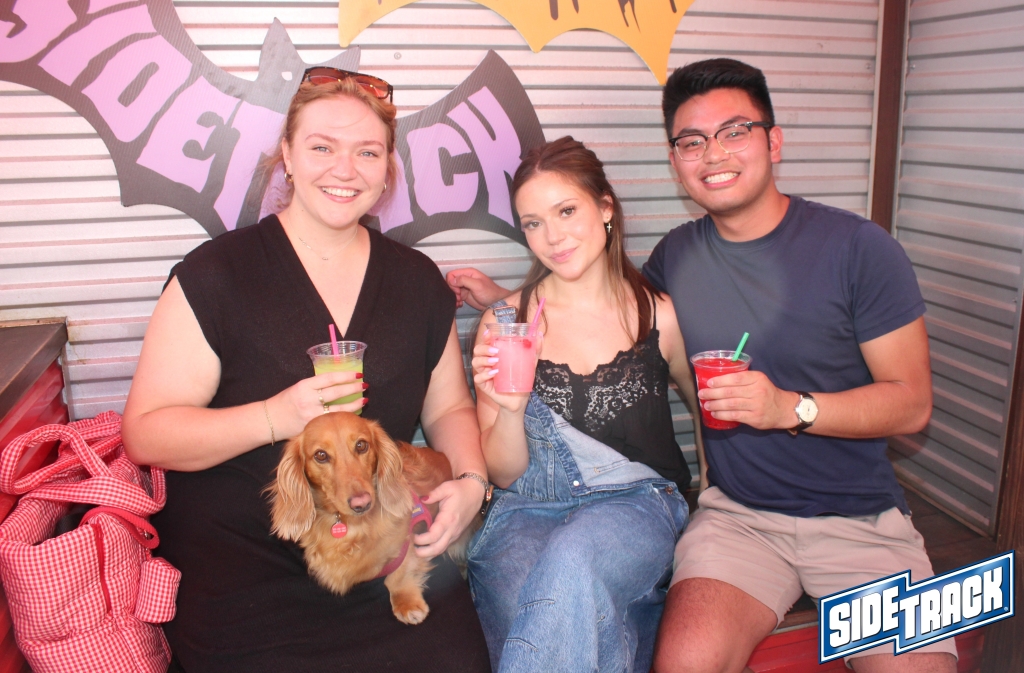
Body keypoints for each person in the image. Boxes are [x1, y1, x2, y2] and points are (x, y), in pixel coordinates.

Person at [449, 59, 956, 673]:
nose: (713, 153)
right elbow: (593, 299)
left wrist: (790, 408)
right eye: (692, 141)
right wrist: (504, 305)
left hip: (862, 522)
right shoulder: (678, 259)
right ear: (676, 160)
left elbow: (912, 404)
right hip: (738, 523)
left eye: (734, 132)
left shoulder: (859, 247)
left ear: (773, 141)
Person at [122, 69, 491, 673]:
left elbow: (449, 407)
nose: (345, 169)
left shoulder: (418, 282)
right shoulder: (216, 275)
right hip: (246, 573)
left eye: (367, 152)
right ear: (288, 157)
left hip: (386, 560)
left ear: (388, 168)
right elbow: (146, 434)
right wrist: (276, 415)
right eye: (322, 147)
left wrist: (472, 484)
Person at [466, 137, 693, 673]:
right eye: (533, 223)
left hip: (637, 503)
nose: (553, 236)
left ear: (605, 207)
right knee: (523, 598)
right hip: (528, 506)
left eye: (566, 210)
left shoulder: (658, 315)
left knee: (572, 562)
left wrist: (718, 506)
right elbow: (502, 472)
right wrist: (511, 408)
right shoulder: (504, 325)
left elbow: (707, 407)